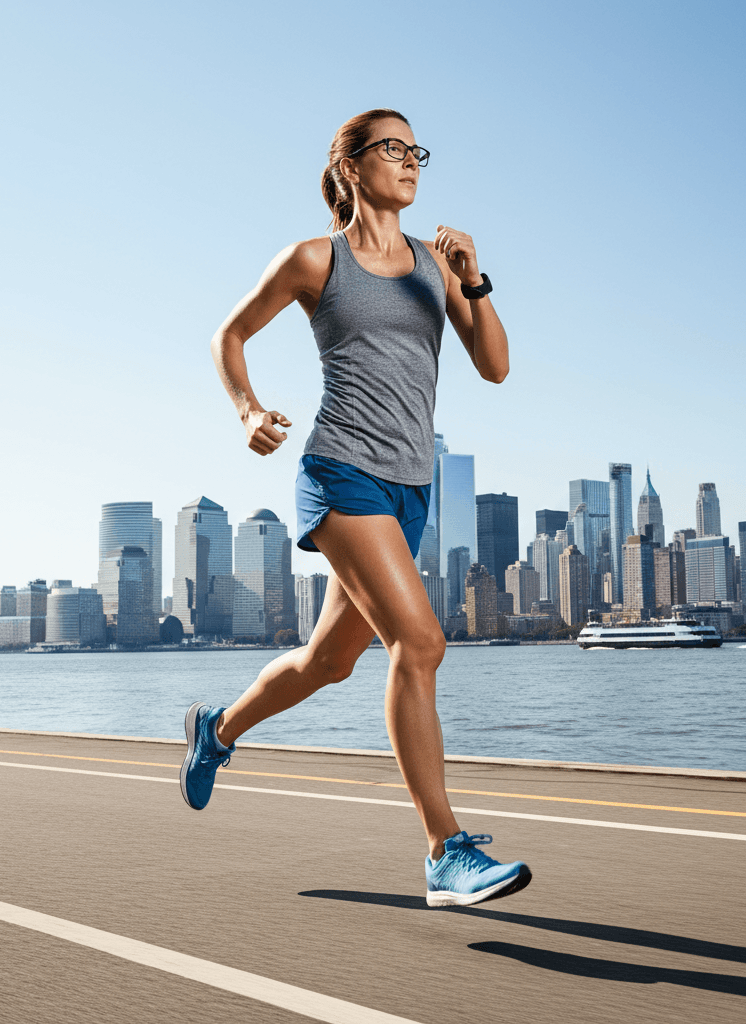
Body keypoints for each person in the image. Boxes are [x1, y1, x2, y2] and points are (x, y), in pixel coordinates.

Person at [180, 108, 531, 908]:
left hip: (411, 487)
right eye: (393, 149)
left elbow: (497, 365)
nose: (410, 162)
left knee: (329, 662)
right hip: (341, 473)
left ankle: (218, 730)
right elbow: (227, 336)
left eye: (418, 152)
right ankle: (446, 850)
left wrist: (473, 276)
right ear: (350, 167)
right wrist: (246, 410)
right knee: (422, 641)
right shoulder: (315, 259)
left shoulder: (434, 267)